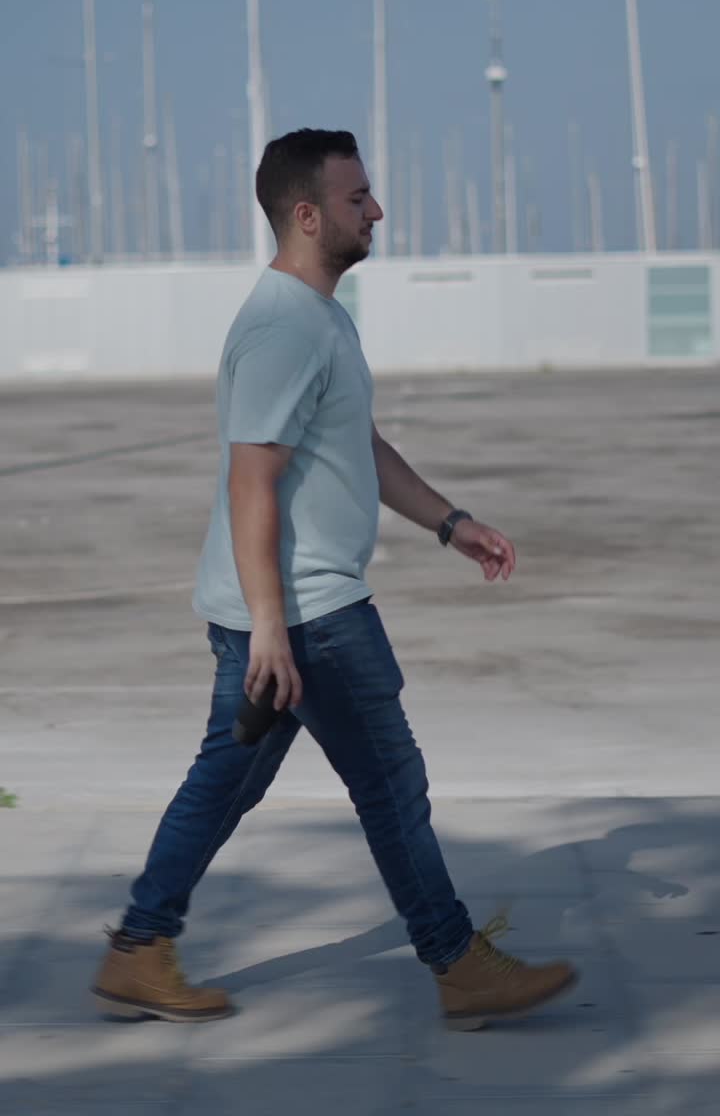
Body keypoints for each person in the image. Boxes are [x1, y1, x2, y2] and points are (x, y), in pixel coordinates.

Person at [93, 129, 577, 1030]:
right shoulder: (282, 327)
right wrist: (273, 629)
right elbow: (253, 481)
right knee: (391, 784)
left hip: (279, 612)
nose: (377, 211)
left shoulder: (318, 318)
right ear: (307, 214)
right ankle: (457, 962)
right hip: (307, 615)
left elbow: (358, 445)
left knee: (225, 781)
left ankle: (137, 949)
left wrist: (450, 522)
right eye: (359, 199)